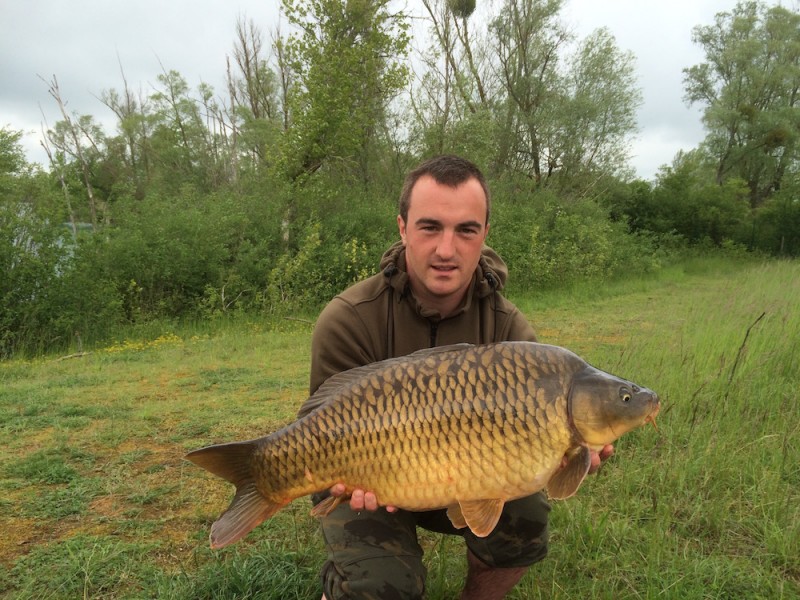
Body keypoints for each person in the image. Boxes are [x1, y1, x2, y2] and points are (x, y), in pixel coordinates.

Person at [297, 155, 612, 600]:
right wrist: (345, 481)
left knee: (527, 514)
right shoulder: (348, 319)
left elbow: (541, 453)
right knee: (382, 586)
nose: (447, 249)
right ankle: (349, 583)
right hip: (370, 475)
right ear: (403, 228)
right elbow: (322, 427)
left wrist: (566, 452)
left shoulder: (509, 329)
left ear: (484, 235)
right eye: (430, 227)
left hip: (468, 475)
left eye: (466, 230)